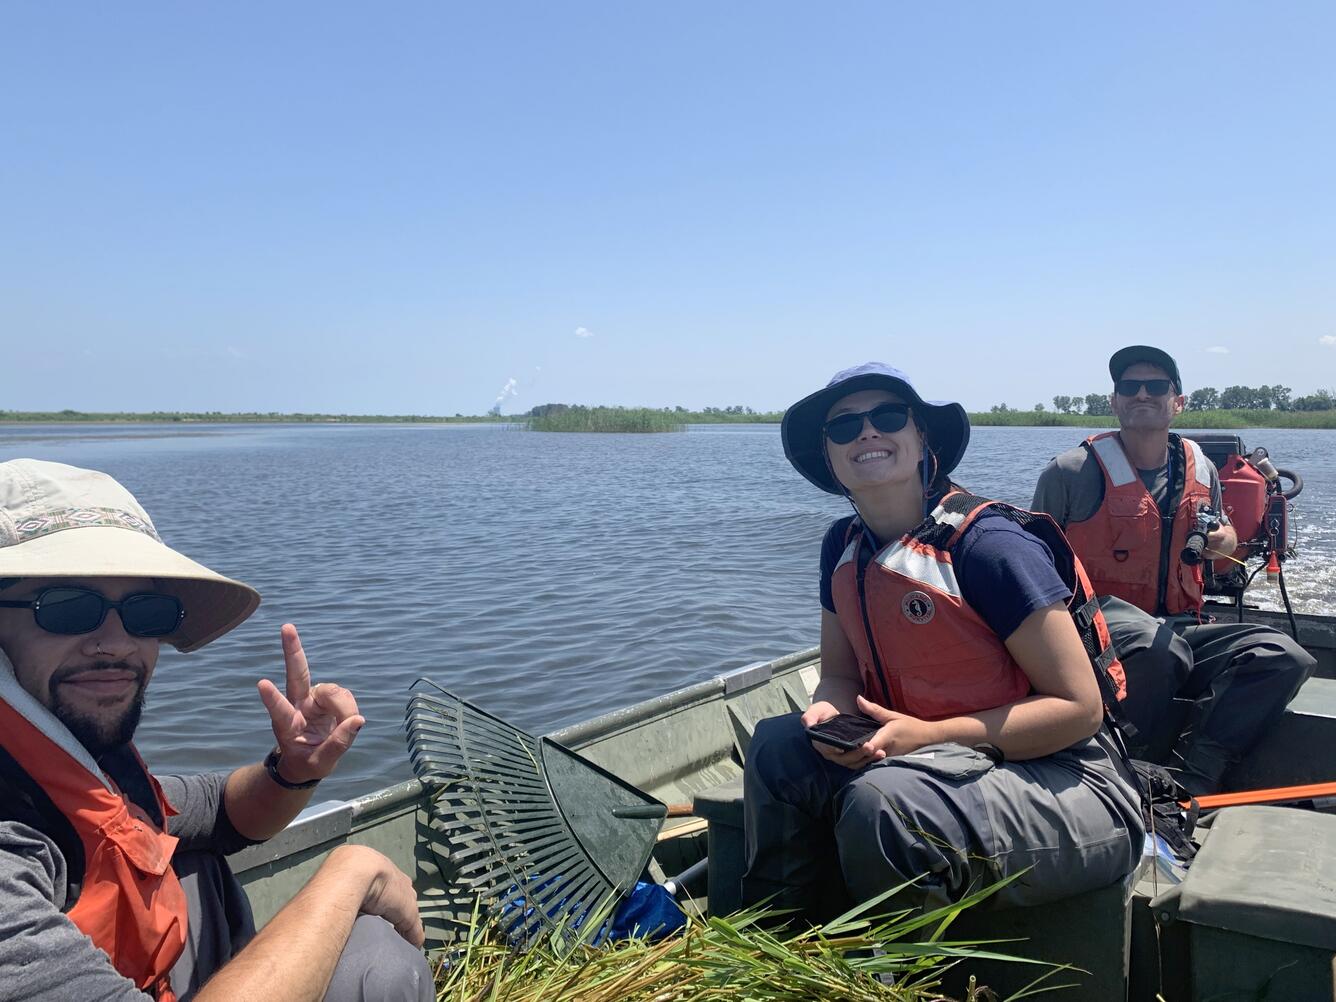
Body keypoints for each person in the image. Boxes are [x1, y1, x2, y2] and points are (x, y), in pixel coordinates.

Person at [0, 459, 433, 1002]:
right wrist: (352, 873)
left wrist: (293, 769)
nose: (113, 643)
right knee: (377, 958)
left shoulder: (70, 749)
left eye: (145, 611)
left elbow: (211, 812)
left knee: (188, 857)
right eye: (67, 608)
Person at [741, 363, 1144, 923]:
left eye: (887, 416)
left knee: (885, 806)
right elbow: (838, 675)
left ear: (920, 436)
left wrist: (928, 737)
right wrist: (826, 714)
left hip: (1069, 779)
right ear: (829, 456)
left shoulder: (989, 547)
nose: (866, 433)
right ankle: (778, 947)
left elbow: (1080, 711)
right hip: (919, 758)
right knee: (777, 748)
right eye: (843, 427)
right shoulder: (841, 545)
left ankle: (897, 980)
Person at [1031, 346, 1315, 795]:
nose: (1142, 393)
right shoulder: (1069, 473)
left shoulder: (1202, 468)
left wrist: (1224, 543)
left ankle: (1193, 782)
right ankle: (1110, 775)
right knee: (1159, 650)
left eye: (1156, 386)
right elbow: (1032, 571)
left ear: (1178, 402)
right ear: (1114, 401)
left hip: (1179, 627)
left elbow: (1221, 550)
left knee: (1283, 655)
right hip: (1093, 628)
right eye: (1129, 386)